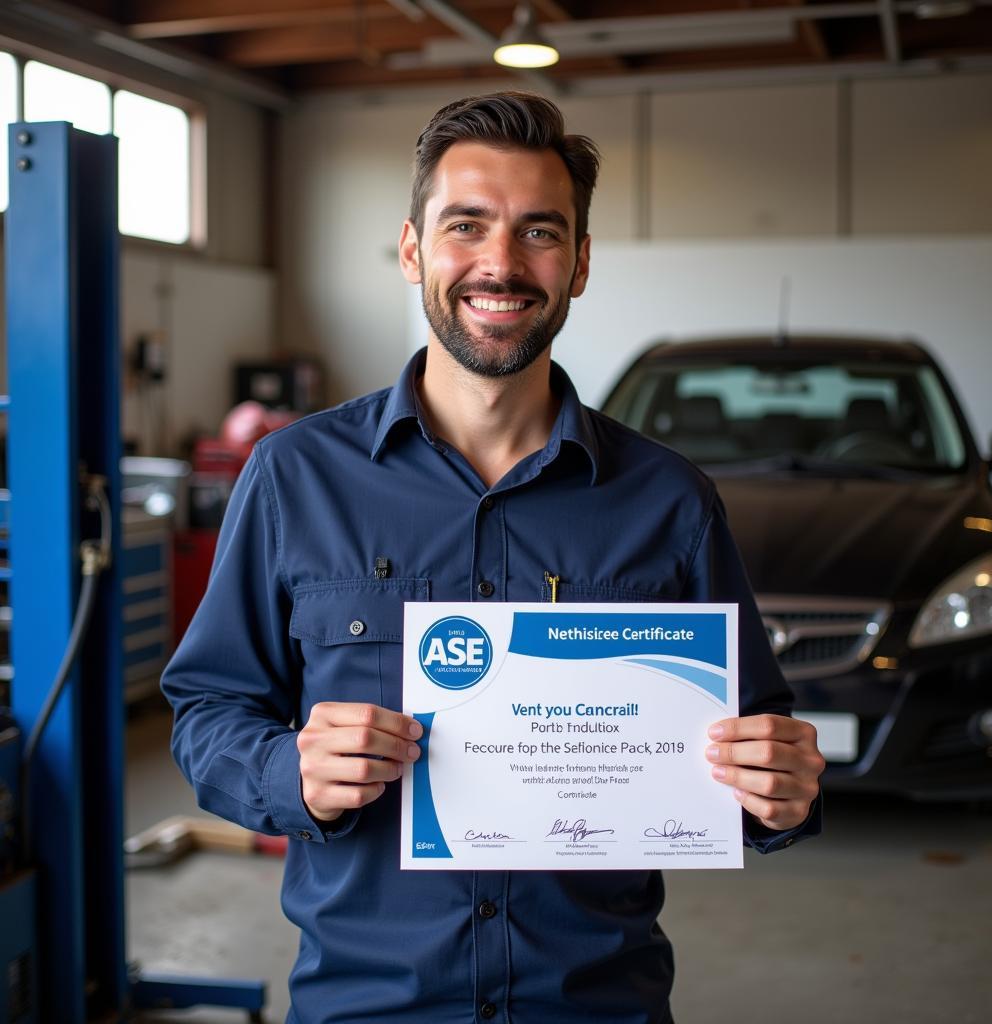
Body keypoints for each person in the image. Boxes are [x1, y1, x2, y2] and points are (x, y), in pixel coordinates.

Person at [163, 91, 824, 1024]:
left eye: (540, 232)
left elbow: (754, 740)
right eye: (466, 225)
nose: (501, 264)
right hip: (368, 1005)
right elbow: (209, 711)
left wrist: (780, 792)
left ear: (581, 263)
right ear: (411, 249)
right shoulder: (294, 476)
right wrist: (289, 772)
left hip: (597, 1005)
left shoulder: (670, 500)